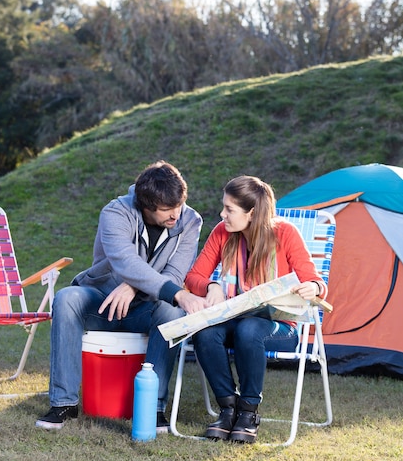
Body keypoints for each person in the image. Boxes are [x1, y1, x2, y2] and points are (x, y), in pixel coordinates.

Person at [36, 161, 206, 432]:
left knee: (172, 312)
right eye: (167, 209)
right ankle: (63, 403)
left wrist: (133, 287)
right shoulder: (115, 212)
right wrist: (163, 290)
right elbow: (123, 261)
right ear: (146, 206)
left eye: (179, 205)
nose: (176, 214)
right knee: (67, 298)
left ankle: (154, 407)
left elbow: (176, 272)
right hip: (101, 300)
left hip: (145, 307)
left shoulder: (190, 221)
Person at [185, 175, 328, 444]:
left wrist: (314, 288)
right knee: (204, 332)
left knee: (249, 329)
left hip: (279, 327)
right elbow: (193, 277)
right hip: (235, 320)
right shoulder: (222, 233)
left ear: (251, 213)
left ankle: (249, 413)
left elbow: (315, 280)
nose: (222, 214)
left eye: (229, 209)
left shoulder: (285, 233)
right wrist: (211, 285)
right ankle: (228, 409)